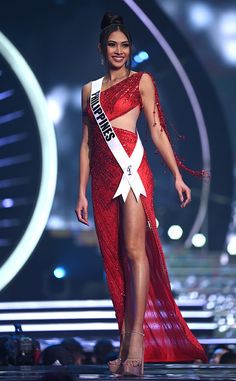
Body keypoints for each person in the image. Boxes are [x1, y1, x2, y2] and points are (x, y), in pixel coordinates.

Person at [75, 11, 208, 377]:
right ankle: (124, 344)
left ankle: (137, 347)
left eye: (125, 45)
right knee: (115, 261)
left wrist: (178, 177)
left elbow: (157, 130)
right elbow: (86, 144)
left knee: (135, 252)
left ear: (129, 49)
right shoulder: (89, 91)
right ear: (102, 48)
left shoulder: (141, 81)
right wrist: (80, 193)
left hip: (132, 170)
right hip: (101, 177)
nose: (120, 51)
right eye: (113, 45)